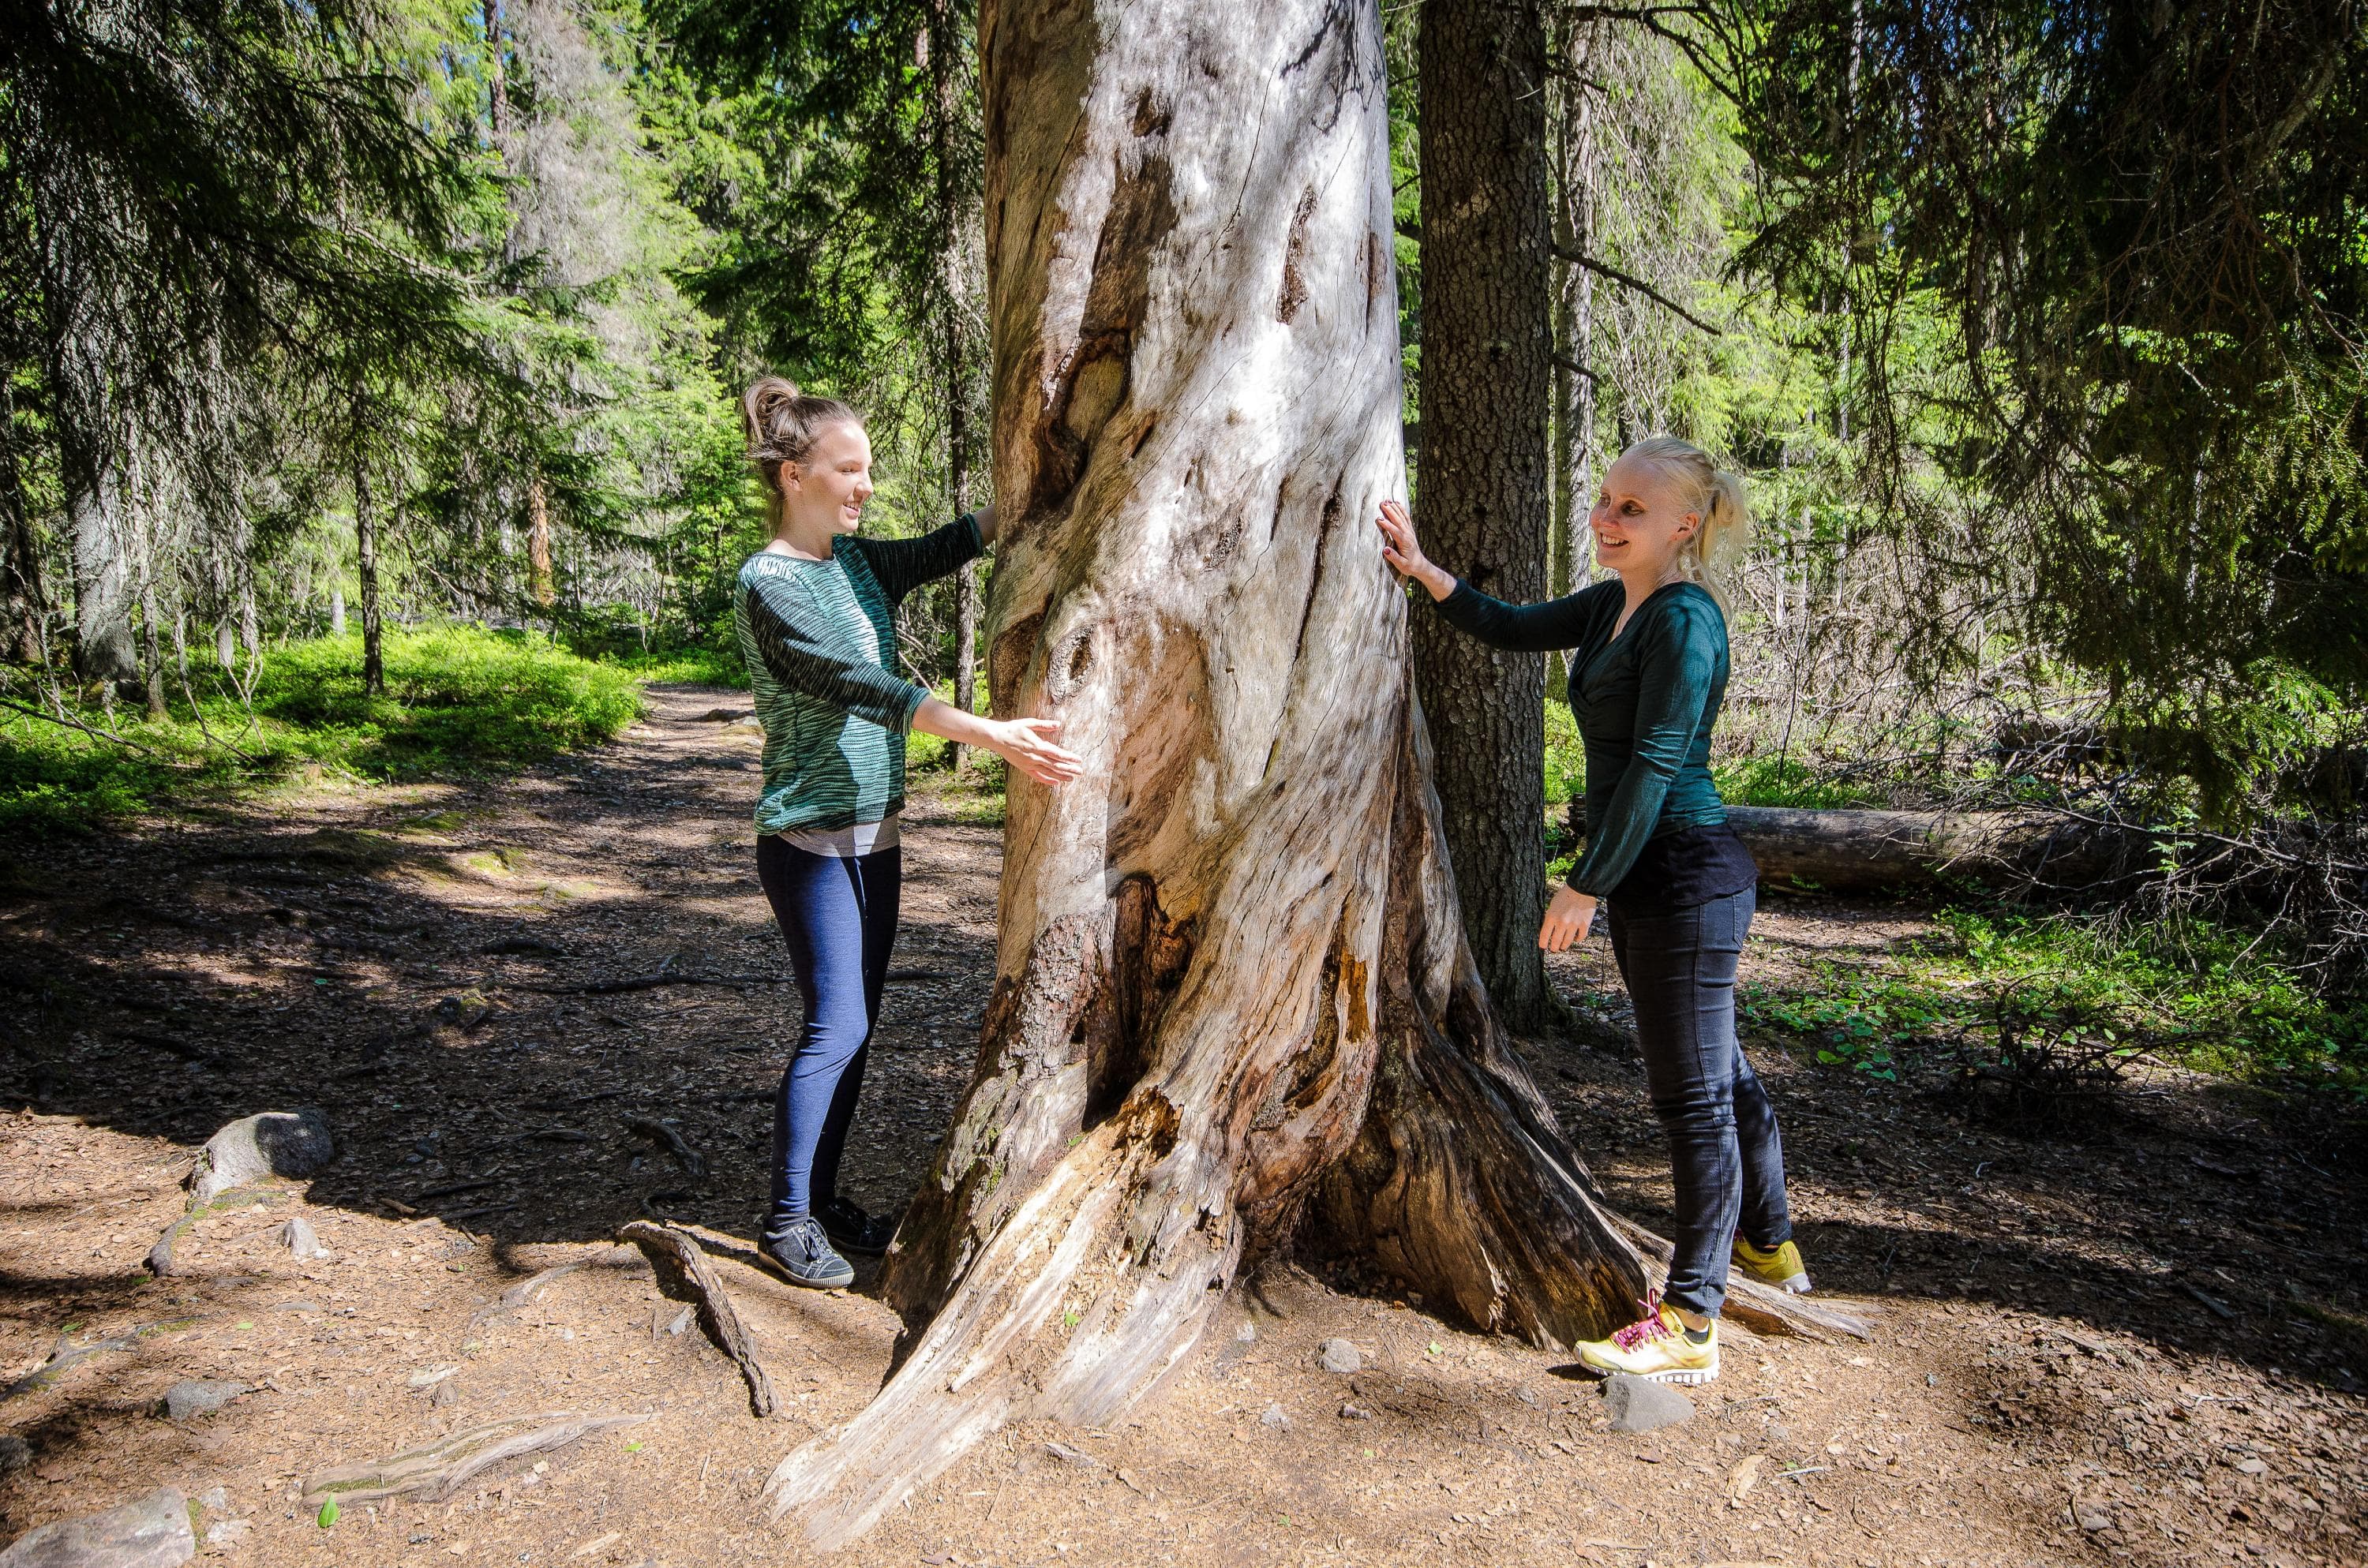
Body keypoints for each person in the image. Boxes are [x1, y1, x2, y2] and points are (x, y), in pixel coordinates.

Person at [1375, 436, 1809, 1385]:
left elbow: (1657, 763)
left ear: (1684, 527)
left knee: (1692, 1100)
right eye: (1607, 502)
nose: (1606, 520)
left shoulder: (1685, 623)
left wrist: (1587, 883)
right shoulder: (1616, 601)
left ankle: (1692, 1321)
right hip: (1663, 880)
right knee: (1723, 1075)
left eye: (1632, 511)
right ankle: (1772, 1247)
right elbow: (1516, 624)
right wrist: (1422, 571)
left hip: (1685, 879)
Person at [734, 376, 1082, 1289]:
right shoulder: (770, 583)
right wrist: (988, 732)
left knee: (859, 1023)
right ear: (795, 475)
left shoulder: (855, 562)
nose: (866, 487)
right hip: (809, 840)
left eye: (870, 470)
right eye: (851, 470)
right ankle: (783, 1221)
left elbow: (948, 545)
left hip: (872, 836)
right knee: (837, 1022)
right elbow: (864, 686)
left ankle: (818, 1195)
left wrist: (1043, 485)